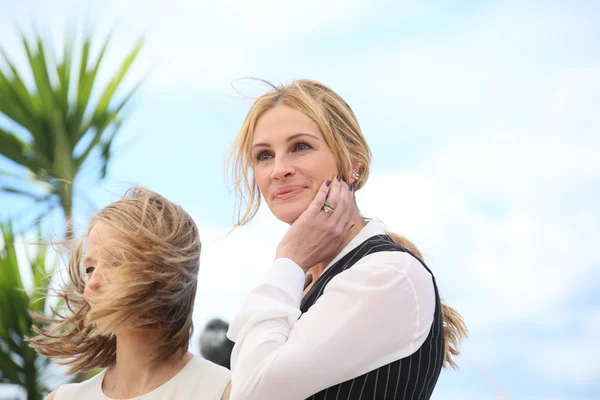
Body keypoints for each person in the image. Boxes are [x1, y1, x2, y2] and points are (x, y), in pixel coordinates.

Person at [225, 79, 467, 400]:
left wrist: (289, 258)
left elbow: (253, 392)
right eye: (264, 155)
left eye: (300, 147)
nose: (279, 170)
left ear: (352, 161)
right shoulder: (299, 285)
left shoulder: (388, 274)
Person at [27, 187, 231, 400]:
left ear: (163, 271)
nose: (93, 283)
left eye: (116, 262)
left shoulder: (223, 391)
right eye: (89, 269)